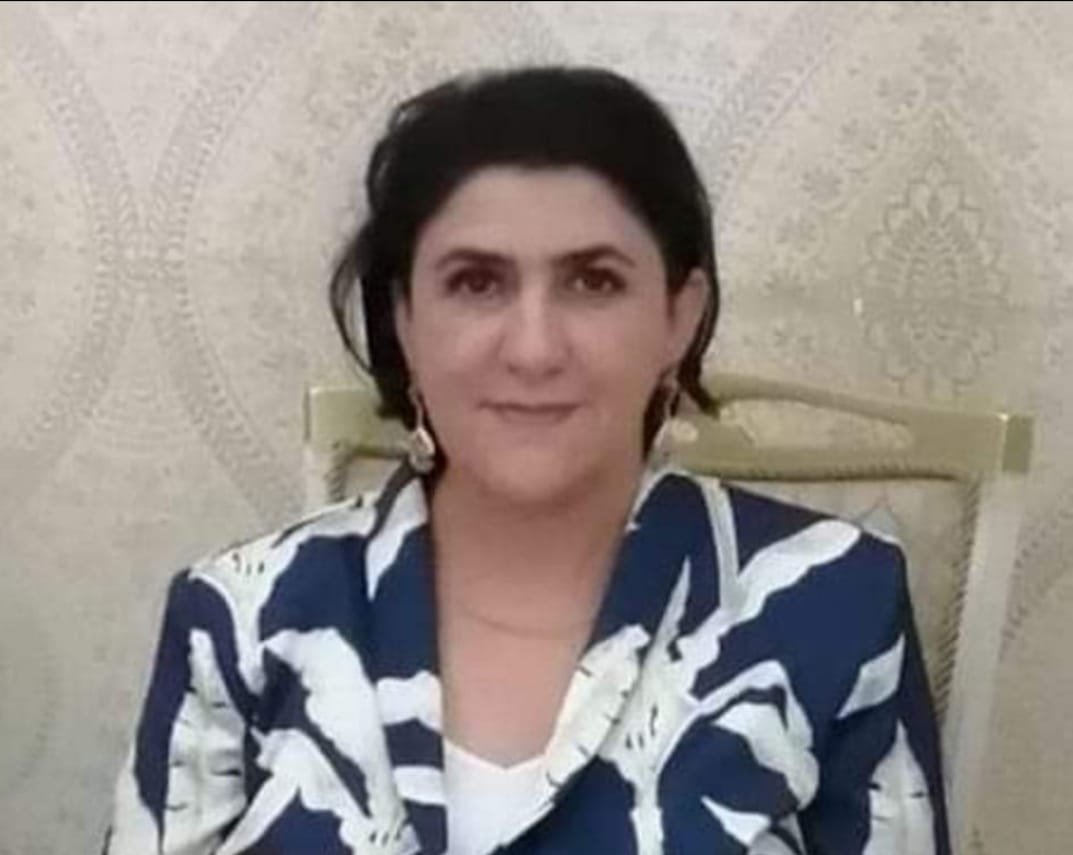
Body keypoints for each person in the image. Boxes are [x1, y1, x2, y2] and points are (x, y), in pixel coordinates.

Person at [104, 66, 950, 854]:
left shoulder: (836, 601)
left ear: (677, 317)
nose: (534, 348)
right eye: (477, 283)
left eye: (593, 281)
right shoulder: (238, 616)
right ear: (403, 319)